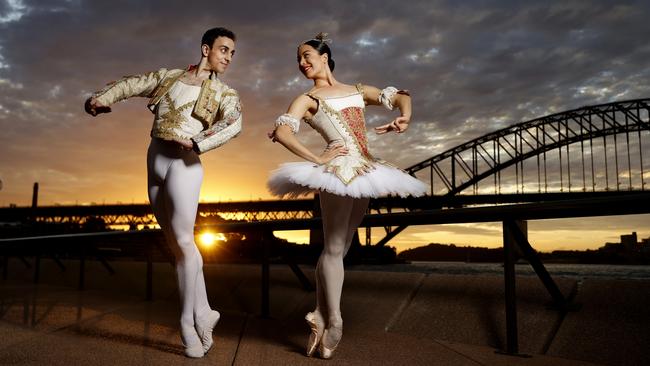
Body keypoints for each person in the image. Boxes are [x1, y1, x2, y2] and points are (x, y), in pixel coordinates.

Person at [84, 27, 242, 358]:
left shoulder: (224, 93)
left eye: (232, 53)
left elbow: (234, 123)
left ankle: (187, 323)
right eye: (224, 49)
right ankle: (205, 310)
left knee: (185, 242)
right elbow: (133, 84)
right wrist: (99, 99)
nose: (228, 57)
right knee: (177, 244)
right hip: (155, 157)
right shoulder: (169, 78)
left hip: (185, 163)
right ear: (205, 49)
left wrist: (197, 141)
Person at [267, 33, 427, 359]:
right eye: (298, 58)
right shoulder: (308, 98)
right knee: (334, 246)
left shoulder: (356, 90)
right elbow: (282, 132)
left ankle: (319, 314)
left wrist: (404, 118)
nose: (302, 63)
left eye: (307, 55)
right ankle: (336, 318)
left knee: (340, 248)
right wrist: (317, 159)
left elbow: (401, 96)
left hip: (366, 170)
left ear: (325, 57)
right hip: (338, 171)